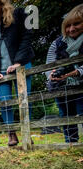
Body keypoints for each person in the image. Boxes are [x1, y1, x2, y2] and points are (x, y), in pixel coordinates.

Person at [0, 0, 35, 146]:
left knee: (24, 100)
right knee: (4, 102)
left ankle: (26, 133)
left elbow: (27, 37)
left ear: (1, 4)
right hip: (1, 71)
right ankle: (11, 134)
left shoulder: (19, 15)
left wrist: (18, 61)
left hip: (21, 65)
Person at [46, 4, 83, 143]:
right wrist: (52, 75)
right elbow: (49, 64)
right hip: (63, 87)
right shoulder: (57, 44)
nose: (71, 28)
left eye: (77, 24)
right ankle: (71, 144)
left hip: (81, 85)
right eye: (68, 25)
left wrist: (76, 72)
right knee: (66, 116)